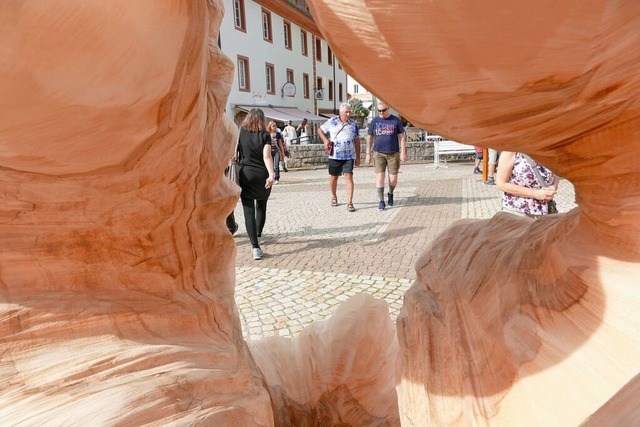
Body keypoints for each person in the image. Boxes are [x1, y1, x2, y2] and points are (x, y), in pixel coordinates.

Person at [238, 109, 275, 260]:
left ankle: (255, 247)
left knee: (248, 210)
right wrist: (271, 175)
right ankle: (258, 234)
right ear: (262, 120)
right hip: (261, 175)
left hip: (245, 173)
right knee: (261, 205)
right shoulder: (265, 135)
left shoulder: (241, 132)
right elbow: (267, 156)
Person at [319, 103, 361, 212]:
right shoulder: (332, 121)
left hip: (349, 155)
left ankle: (350, 203)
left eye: (349, 112)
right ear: (340, 113)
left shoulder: (353, 124)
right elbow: (320, 130)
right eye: (346, 112)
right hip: (335, 155)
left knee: (349, 176)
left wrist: (358, 157)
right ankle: (333, 196)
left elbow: (357, 141)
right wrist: (325, 140)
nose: (348, 114)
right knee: (334, 177)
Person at [366, 101, 407, 210]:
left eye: (383, 110)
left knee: (393, 178)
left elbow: (402, 137)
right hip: (378, 153)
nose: (381, 113)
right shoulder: (375, 121)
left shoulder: (395, 121)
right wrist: (368, 154)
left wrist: (403, 152)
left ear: (388, 109)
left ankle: (390, 193)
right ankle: (381, 200)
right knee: (380, 176)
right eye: (379, 111)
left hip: (393, 153)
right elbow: (369, 138)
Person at [495, 151, 559, 218]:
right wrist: (534, 193)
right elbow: (501, 183)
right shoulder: (510, 152)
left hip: (545, 211)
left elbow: (556, 173)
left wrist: (554, 186)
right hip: (518, 212)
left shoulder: (548, 150)